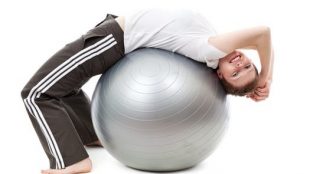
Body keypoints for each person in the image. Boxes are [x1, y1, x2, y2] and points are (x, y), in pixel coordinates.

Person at [21, 8, 274, 174]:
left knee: (36, 93)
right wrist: (256, 79)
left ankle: (71, 161)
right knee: (65, 85)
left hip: (113, 39)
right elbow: (261, 43)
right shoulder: (216, 48)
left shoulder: (209, 49)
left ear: (220, 75)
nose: (241, 64)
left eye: (236, 73)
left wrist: (265, 77)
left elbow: (263, 33)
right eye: (248, 65)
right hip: (116, 33)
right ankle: (91, 134)